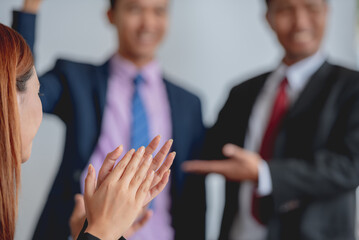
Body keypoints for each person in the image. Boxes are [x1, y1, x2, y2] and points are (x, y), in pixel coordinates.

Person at [13, 0, 206, 239]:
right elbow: (15, 93)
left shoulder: (189, 104)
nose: (148, 23)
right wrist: (29, 10)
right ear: (111, 15)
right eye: (135, 9)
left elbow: (194, 198)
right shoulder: (75, 78)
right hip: (83, 232)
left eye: (159, 11)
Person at [183, 0, 359, 239]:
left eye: (311, 7)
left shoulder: (351, 88)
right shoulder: (243, 92)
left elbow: (350, 166)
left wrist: (264, 172)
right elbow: (208, 147)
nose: (300, 21)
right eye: (286, 9)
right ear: (268, 18)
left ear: (327, 12)